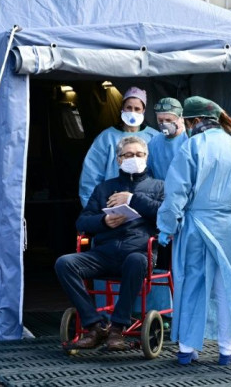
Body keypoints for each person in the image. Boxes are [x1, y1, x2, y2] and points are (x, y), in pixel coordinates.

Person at [157, 96, 231, 366]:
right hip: (227, 228)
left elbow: (177, 192)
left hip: (196, 226)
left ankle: (186, 349)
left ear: (196, 121)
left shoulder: (190, 147)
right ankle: (225, 349)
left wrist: (167, 226)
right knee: (225, 287)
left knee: (192, 284)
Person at [56, 136, 164, 351]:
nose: (134, 158)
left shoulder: (159, 186)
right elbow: (82, 221)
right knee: (64, 263)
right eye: (128, 155)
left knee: (134, 260)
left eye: (139, 154)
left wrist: (132, 199)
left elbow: (165, 216)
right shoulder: (104, 188)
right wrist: (103, 221)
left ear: (147, 157)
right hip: (104, 254)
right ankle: (95, 326)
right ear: (118, 160)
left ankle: (117, 328)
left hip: (138, 252)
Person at [78, 87, 158, 207]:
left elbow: (162, 172)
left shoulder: (154, 137)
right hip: (112, 201)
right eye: (129, 108)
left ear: (144, 111)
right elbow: (91, 176)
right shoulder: (106, 138)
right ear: (122, 109)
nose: (132, 112)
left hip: (146, 201)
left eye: (137, 109)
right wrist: (94, 211)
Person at [147, 97, 188, 179]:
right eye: (160, 120)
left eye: (168, 120)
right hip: (160, 190)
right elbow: (148, 172)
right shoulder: (154, 142)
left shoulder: (190, 141)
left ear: (181, 118)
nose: (164, 124)